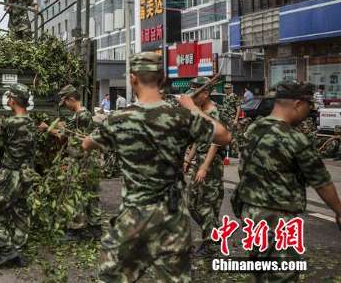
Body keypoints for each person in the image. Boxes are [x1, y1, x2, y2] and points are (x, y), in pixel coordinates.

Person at [82, 52, 231, 282]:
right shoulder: (181, 116)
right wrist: (192, 108)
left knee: (111, 276)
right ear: (162, 79)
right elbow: (223, 136)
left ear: (133, 79)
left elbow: (86, 144)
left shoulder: (118, 119)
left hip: (133, 219)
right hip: (172, 220)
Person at [234, 80, 341, 282]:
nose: (308, 113)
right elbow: (321, 182)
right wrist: (338, 211)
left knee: (262, 273)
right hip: (278, 219)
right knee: (283, 275)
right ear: (298, 104)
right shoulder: (294, 138)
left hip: (250, 213)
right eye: (309, 107)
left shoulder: (252, 129)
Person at [0, 83, 37, 268]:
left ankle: (7, 249)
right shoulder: (31, 122)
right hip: (27, 174)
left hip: (10, 173)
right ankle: (18, 251)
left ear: (13, 100)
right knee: (21, 212)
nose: (7, 100)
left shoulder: (8, 123)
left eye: (8, 98)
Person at [40, 84, 101, 241]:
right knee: (90, 193)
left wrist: (48, 129)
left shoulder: (82, 116)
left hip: (82, 160)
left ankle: (76, 230)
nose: (66, 106)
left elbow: (66, 137)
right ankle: (95, 228)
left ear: (72, 99)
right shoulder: (82, 115)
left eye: (66, 102)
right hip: (88, 160)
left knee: (75, 193)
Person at [183, 77, 224, 256]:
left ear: (206, 93)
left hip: (211, 163)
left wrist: (205, 167)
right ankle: (214, 233)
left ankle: (211, 243)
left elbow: (216, 143)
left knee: (207, 204)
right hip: (199, 160)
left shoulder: (214, 113)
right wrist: (187, 161)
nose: (192, 97)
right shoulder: (200, 113)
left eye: (196, 93)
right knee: (191, 203)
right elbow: (196, 140)